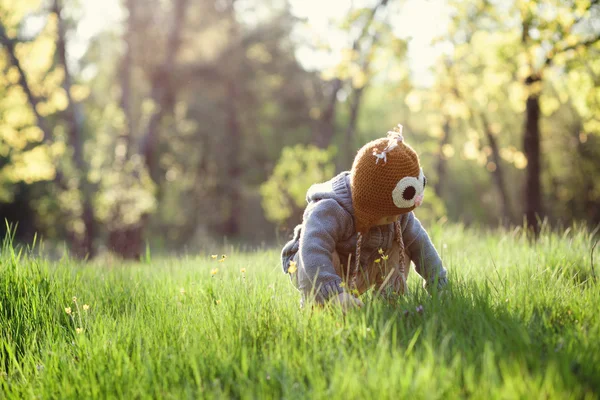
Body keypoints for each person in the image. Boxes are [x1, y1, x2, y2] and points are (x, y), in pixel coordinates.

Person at [281, 125, 447, 310]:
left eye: (398, 214)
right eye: (387, 216)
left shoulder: (398, 214)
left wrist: (438, 282)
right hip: (310, 266)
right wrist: (335, 294)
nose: (394, 219)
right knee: (324, 256)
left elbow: (420, 244)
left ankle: (389, 305)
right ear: (369, 203)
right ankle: (322, 306)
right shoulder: (330, 210)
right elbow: (312, 250)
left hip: (359, 267)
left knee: (400, 246)